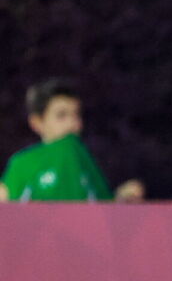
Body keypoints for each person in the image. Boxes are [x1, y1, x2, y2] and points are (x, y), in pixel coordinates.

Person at [1, 79, 144, 203]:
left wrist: (122, 196)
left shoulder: (83, 158)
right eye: (61, 115)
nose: (72, 123)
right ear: (37, 122)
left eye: (76, 115)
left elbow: (103, 205)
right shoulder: (23, 162)